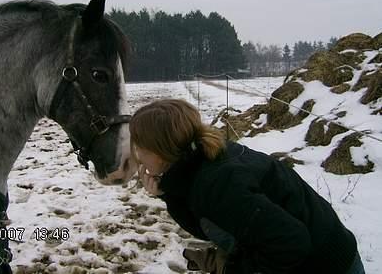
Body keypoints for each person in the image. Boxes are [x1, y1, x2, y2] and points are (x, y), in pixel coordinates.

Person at [129, 99, 365, 274]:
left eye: (140, 148)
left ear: (162, 151)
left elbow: (291, 244)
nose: (137, 156)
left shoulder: (219, 182)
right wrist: (167, 194)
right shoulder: (201, 161)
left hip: (326, 265)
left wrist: (228, 268)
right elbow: (210, 224)